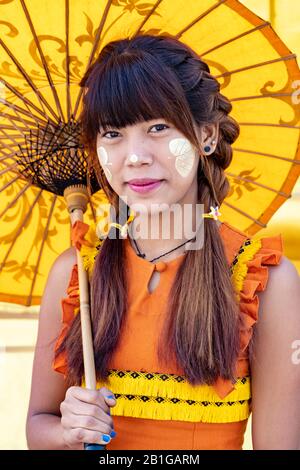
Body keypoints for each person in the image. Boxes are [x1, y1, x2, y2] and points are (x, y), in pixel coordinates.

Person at [26, 34, 300, 450]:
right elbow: (37, 425)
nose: (134, 156)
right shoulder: (76, 272)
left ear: (206, 136)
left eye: (157, 127)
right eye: (112, 134)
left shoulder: (264, 280)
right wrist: (66, 431)